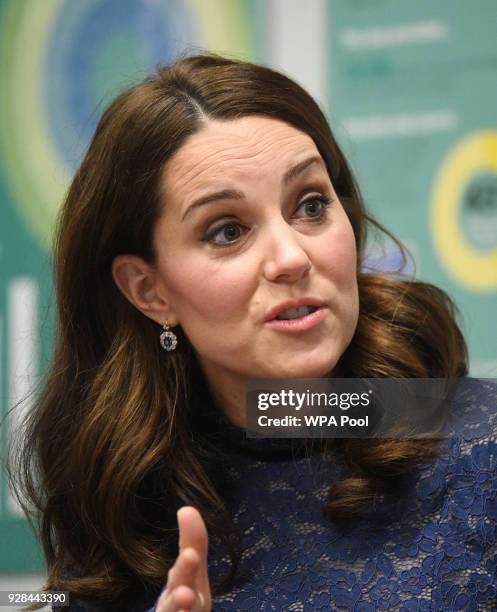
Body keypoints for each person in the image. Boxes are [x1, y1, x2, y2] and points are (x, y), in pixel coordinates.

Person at [6, 52, 497, 611]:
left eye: (311, 205)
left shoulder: (483, 448)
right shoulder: (126, 512)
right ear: (149, 290)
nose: (291, 256)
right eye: (227, 231)